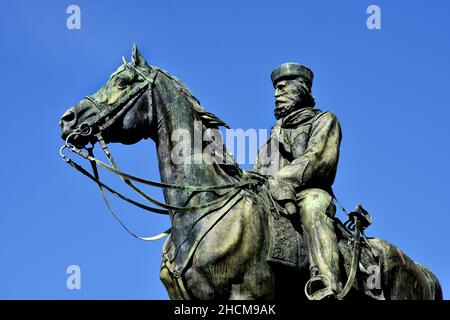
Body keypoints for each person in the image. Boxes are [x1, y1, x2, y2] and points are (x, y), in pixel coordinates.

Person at [253, 63, 343, 299]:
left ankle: (326, 283)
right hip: (275, 195)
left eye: (282, 89)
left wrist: (280, 178)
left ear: (299, 89)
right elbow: (260, 170)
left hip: (308, 193)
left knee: (314, 209)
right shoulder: (276, 132)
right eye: (275, 90)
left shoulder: (325, 120)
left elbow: (318, 160)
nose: (276, 95)